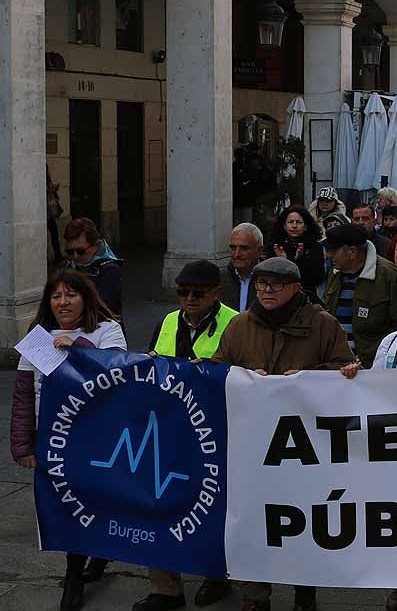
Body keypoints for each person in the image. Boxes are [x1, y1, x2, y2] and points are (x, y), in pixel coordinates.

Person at [212, 257, 354, 611]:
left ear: (294, 288)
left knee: (304, 521)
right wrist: (243, 377)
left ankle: (305, 592)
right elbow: (217, 371)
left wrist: (307, 378)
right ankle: (255, 595)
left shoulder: (324, 325)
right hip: (252, 442)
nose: (266, 290)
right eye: (261, 284)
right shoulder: (239, 326)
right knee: (254, 519)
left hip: (306, 445)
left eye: (275, 284)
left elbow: (344, 371)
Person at [11, 271, 127, 611]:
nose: (62, 302)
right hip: (54, 443)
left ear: (85, 298)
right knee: (66, 508)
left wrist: (78, 347)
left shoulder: (107, 331)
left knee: (97, 503)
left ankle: (100, 555)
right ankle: (74, 573)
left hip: (96, 438)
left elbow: (117, 374)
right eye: (56, 296)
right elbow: (22, 396)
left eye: (70, 295)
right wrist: (22, 445)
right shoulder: (37, 339)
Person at [136, 261, 235, 610]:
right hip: (167, 428)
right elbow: (154, 361)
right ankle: (165, 587)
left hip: (214, 433)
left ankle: (216, 576)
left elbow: (244, 374)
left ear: (215, 294)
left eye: (197, 293)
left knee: (212, 506)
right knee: (159, 502)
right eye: (183, 292)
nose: (188, 299)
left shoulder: (234, 323)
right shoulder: (167, 321)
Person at [319, 223, 397, 369]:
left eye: (333, 250)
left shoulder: (389, 276)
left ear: (352, 252)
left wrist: (380, 360)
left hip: (372, 369)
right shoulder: (335, 274)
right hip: (337, 366)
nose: (328, 255)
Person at [62, 217, 123, 317]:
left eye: (81, 251)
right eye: (70, 251)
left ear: (95, 245)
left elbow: (103, 310)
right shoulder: (67, 265)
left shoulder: (110, 270)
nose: (75, 256)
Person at [271, 204, 326, 299]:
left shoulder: (315, 247)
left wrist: (299, 260)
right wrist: (284, 262)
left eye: (299, 222)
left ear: (305, 226)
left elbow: (317, 278)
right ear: (284, 226)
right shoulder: (276, 246)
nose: (294, 226)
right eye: (290, 222)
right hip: (279, 297)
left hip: (306, 298)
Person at [221, 222, 263, 312]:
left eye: (244, 248)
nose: (236, 254)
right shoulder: (219, 279)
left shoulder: (269, 281)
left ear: (259, 250)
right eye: (233, 248)